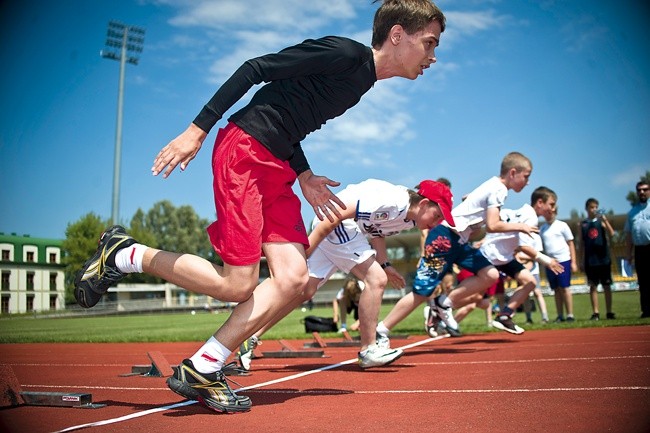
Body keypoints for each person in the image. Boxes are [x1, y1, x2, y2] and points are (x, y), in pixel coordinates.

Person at [73, 0, 447, 414]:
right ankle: (124, 254)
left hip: (278, 165)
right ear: (398, 35)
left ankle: (204, 366)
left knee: (294, 278)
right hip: (244, 152)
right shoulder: (345, 55)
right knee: (238, 284)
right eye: (429, 43)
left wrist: (303, 173)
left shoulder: (362, 82)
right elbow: (256, 68)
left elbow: (290, 119)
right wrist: (196, 130)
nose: (432, 56)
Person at [237, 178, 455, 371]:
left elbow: (376, 232)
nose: (436, 223)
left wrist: (386, 264)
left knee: (303, 290)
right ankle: (369, 348)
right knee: (375, 280)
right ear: (424, 203)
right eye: (437, 216)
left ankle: (251, 336)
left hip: (345, 230)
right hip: (335, 222)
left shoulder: (407, 218)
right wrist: (304, 251)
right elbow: (335, 215)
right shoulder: (393, 202)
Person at [376, 151, 539, 342]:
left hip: (459, 242)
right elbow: (494, 226)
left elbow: (479, 221)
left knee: (490, 275)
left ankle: (444, 303)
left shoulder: (491, 186)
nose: (527, 182)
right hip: (443, 239)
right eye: (526, 176)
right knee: (422, 292)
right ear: (513, 173)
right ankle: (382, 329)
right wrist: (522, 227)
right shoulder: (498, 189)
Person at [475, 193, 562, 333]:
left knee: (530, 281)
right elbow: (524, 247)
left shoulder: (517, 211)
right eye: (551, 204)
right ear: (540, 202)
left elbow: (497, 218)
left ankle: (504, 316)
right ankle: (440, 308)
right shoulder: (531, 217)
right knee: (475, 297)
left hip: (504, 257)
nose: (553, 209)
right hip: (491, 256)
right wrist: (547, 261)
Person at [579, 198, 616, 320]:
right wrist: (581, 260)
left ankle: (609, 311)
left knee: (606, 285)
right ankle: (596, 312)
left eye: (596, 207)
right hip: (590, 260)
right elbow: (581, 243)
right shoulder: (583, 224)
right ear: (587, 209)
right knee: (593, 286)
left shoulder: (601, 222)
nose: (594, 210)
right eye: (591, 207)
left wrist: (605, 220)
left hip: (603, 258)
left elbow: (612, 234)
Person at [540, 208, 577, 322]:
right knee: (556, 289)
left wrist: (573, 261)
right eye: (546, 212)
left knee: (565, 288)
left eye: (551, 212)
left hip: (563, 260)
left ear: (555, 212)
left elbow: (570, 243)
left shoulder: (562, 225)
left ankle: (570, 314)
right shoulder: (542, 229)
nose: (549, 214)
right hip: (550, 262)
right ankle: (560, 315)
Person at [624, 179, 650, 318]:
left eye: (645, 189)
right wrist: (628, 254)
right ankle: (646, 310)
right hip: (639, 250)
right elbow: (628, 234)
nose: (642, 192)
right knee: (643, 281)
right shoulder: (632, 212)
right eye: (639, 190)